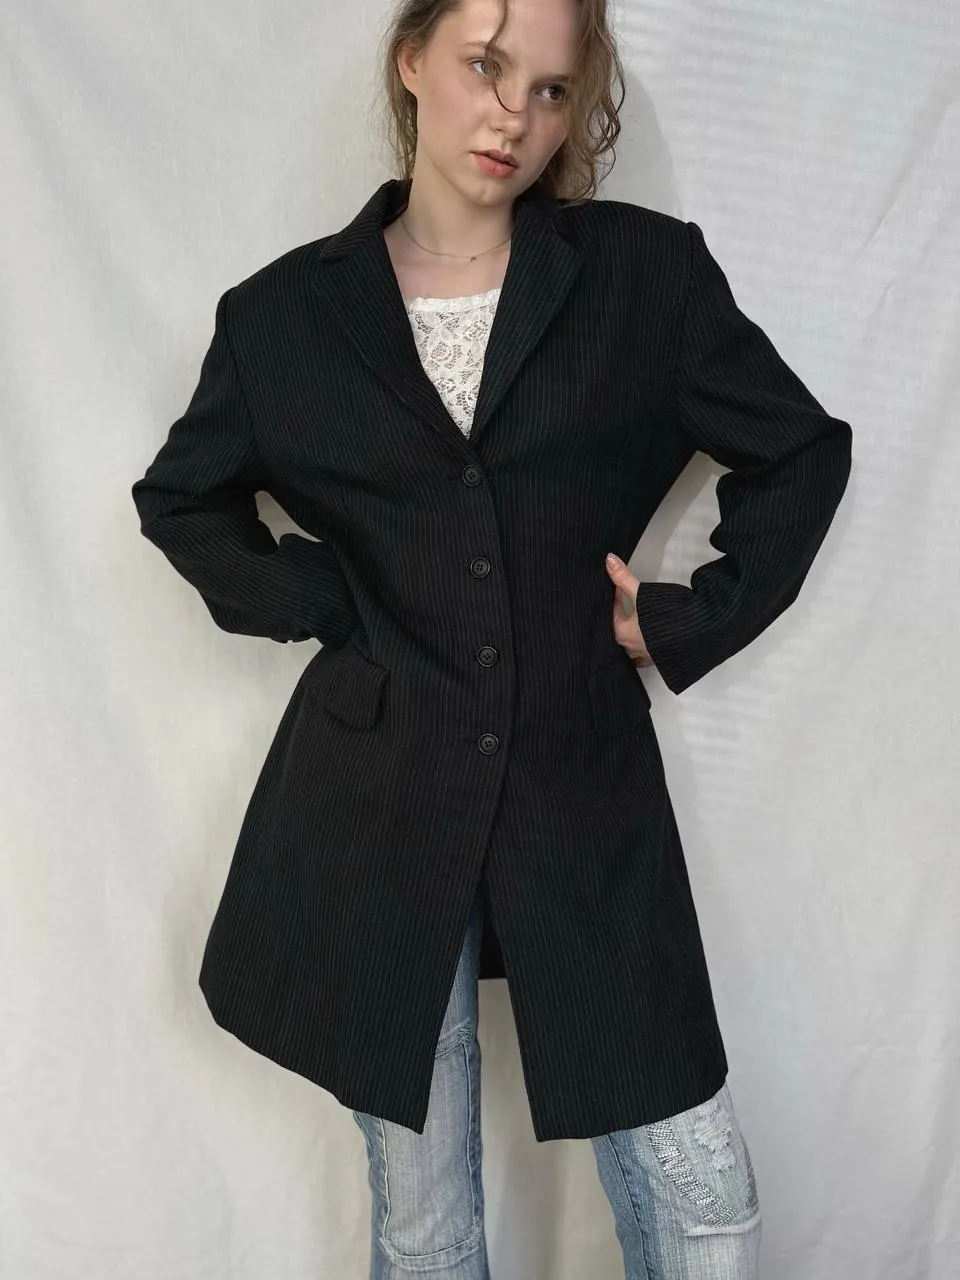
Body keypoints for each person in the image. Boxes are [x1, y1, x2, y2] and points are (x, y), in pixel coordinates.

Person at [131, 0, 852, 1275]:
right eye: (486, 65)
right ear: (413, 60)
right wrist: (324, 597)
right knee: (425, 1226)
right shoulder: (282, 319)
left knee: (704, 1199)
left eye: (553, 89)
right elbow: (180, 498)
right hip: (374, 808)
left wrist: (683, 616)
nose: (515, 113)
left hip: (581, 787)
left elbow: (799, 450)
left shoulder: (642, 279)